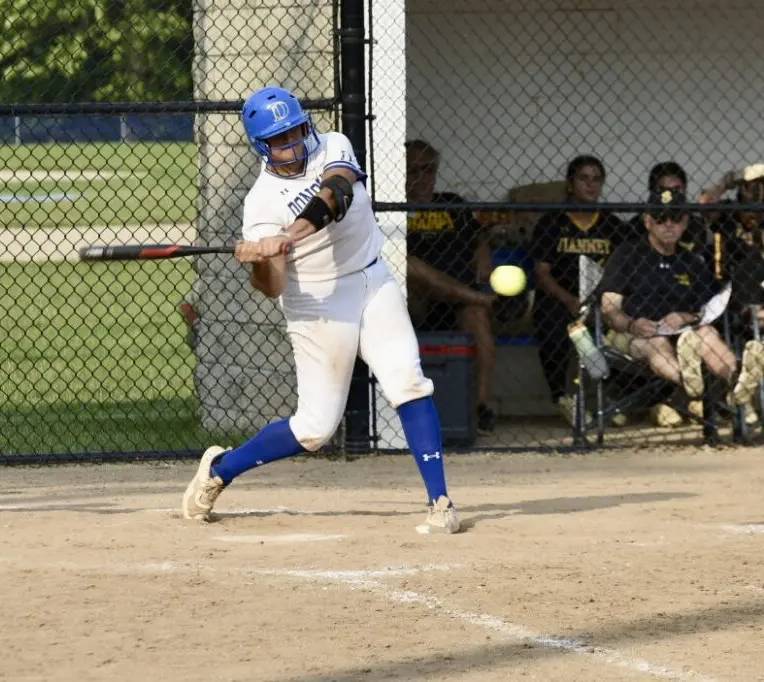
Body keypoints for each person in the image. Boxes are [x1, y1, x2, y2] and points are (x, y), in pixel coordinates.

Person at [181, 86, 460, 534]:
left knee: (407, 380)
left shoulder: (334, 145)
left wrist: (288, 234)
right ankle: (220, 469)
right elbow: (272, 289)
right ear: (262, 146)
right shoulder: (259, 205)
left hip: (371, 282)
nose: (290, 144)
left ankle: (440, 501)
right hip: (316, 302)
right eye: (278, 139)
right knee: (314, 430)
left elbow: (336, 193)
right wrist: (263, 260)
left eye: (294, 131)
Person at [600, 189, 764, 411]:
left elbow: (706, 310)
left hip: (683, 334)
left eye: (676, 218)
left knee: (706, 334)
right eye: (660, 218)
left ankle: (737, 378)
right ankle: (690, 382)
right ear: (648, 221)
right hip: (635, 332)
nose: (669, 224)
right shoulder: (627, 254)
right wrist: (632, 324)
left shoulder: (691, 262)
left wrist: (684, 317)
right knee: (654, 343)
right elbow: (609, 308)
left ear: (685, 222)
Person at [404, 139, 498, 433]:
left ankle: (479, 407)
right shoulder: (390, 207)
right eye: (412, 170)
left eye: (427, 169)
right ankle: (480, 298)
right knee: (407, 264)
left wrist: (483, 249)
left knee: (477, 316)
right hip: (414, 303)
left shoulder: (452, 203)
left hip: (457, 303)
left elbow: (478, 236)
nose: (421, 178)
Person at [529, 155, 626, 424]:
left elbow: (623, 273)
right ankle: (565, 398)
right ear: (570, 184)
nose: (591, 185)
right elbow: (542, 273)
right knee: (551, 323)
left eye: (597, 179)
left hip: (600, 299)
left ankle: (602, 397)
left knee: (622, 328)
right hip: (561, 298)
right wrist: (569, 299)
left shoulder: (612, 225)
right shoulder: (552, 222)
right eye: (584, 178)